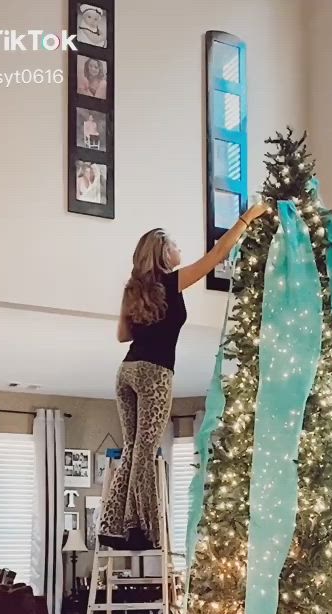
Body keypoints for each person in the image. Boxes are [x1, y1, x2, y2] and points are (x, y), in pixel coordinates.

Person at [99, 201, 268, 550]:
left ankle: (111, 524)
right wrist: (247, 217)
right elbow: (219, 252)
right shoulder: (173, 282)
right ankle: (137, 528)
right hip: (156, 373)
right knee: (145, 451)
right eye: (175, 245)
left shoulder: (133, 290)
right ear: (163, 252)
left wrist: (147, 319)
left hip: (126, 371)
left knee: (132, 448)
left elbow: (121, 336)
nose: (180, 250)